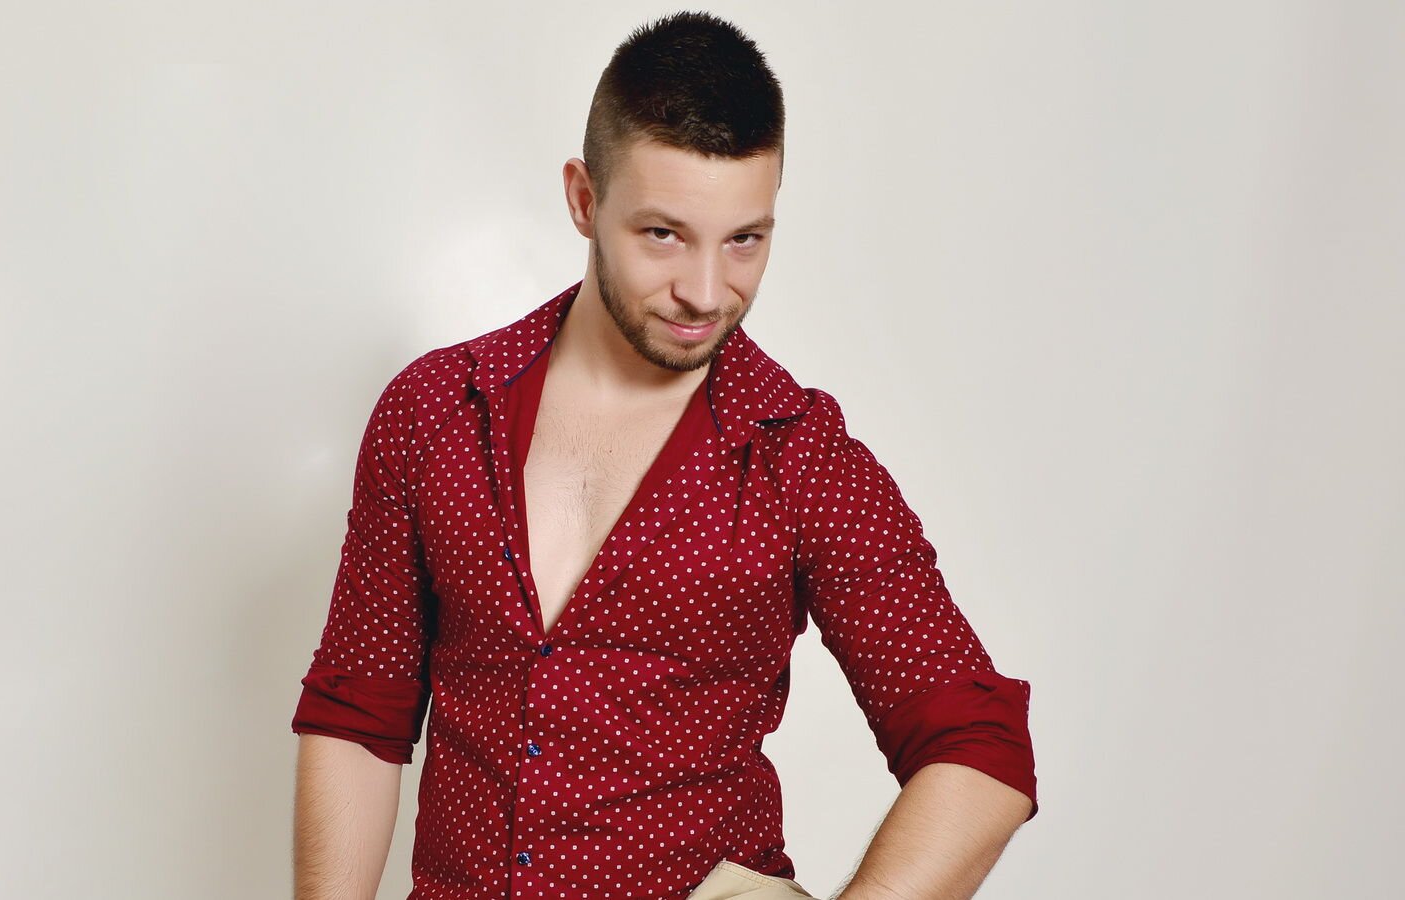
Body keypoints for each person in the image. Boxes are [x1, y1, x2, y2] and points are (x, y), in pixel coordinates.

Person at [291, 11, 1037, 900]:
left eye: (745, 239)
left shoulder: (802, 462)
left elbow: (980, 750)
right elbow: (359, 721)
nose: (706, 292)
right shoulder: (433, 412)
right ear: (584, 200)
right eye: (664, 234)